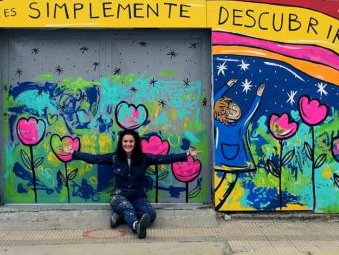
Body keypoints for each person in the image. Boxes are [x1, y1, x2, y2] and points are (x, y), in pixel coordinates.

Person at [61, 130, 199, 239]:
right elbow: (93, 158)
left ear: (135, 143)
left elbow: (164, 158)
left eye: (131, 141)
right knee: (126, 207)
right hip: (119, 196)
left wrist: (186, 155)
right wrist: (73, 152)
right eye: (125, 141)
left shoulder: (144, 158)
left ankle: (120, 216)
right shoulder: (114, 158)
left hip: (138, 196)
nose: (128, 144)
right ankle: (136, 226)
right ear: (121, 143)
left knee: (151, 215)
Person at [212, 78, 265, 209]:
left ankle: (220, 202)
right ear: (224, 116)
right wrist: (226, 86)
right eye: (230, 111)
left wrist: (258, 96)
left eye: (234, 106)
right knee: (225, 184)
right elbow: (214, 104)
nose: (235, 110)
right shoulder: (219, 125)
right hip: (232, 162)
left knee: (229, 184)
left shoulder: (240, 125)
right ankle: (218, 201)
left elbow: (250, 112)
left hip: (231, 162)